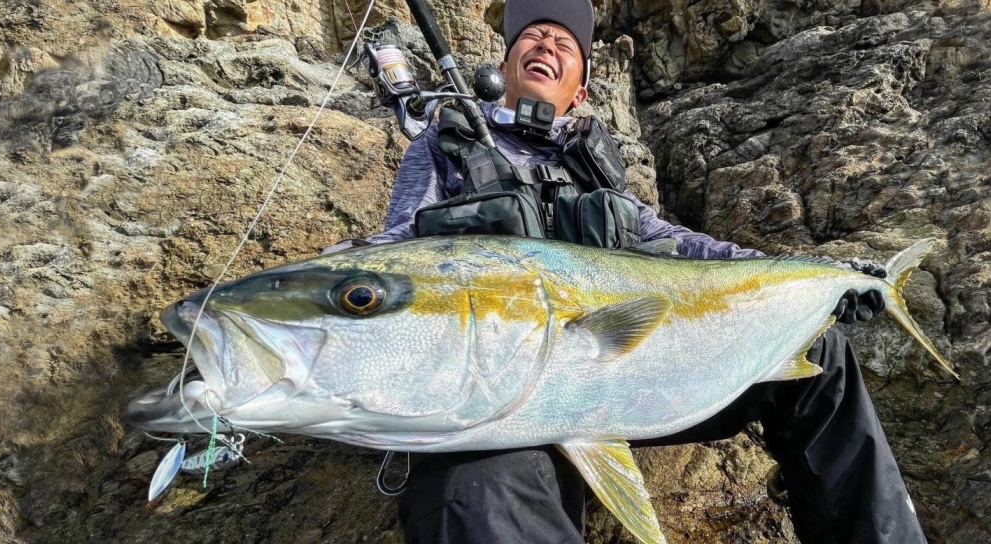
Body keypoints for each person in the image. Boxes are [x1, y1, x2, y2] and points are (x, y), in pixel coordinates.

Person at [326, 0, 925, 542]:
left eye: (565, 45)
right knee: (474, 488)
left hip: (632, 379)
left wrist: (823, 278)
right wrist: (338, 266)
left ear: (581, 91)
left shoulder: (597, 172)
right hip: (503, 389)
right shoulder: (444, 145)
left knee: (821, 350)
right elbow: (400, 242)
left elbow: (686, 250)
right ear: (502, 67)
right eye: (531, 37)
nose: (545, 45)